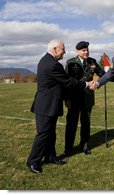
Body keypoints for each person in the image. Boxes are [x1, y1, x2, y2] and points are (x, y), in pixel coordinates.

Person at [26, 39, 92, 173]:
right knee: (43, 134)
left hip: (49, 104)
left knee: (50, 133)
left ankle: (51, 157)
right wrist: (86, 84)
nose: (65, 52)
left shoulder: (47, 60)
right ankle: (32, 161)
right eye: (63, 49)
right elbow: (68, 82)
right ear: (55, 49)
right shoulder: (52, 65)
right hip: (46, 105)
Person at [63, 41, 105, 156]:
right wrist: (66, 99)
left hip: (87, 98)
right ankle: (68, 148)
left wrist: (99, 81)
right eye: (83, 50)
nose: (86, 52)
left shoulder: (92, 62)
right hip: (74, 98)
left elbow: (102, 73)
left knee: (86, 123)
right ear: (77, 51)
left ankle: (84, 146)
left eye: (87, 50)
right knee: (71, 124)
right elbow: (66, 82)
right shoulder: (71, 63)